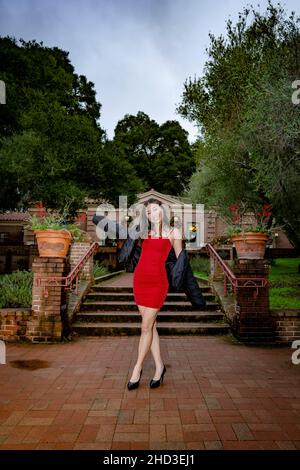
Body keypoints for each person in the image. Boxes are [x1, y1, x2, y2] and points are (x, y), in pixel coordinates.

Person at [127, 198, 183, 390]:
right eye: (148, 212)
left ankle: (137, 368)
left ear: (163, 210)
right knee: (150, 326)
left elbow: (180, 261)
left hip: (158, 284)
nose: (152, 214)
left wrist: (184, 284)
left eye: (155, 210)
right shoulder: (143, 233)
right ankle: (159, 367)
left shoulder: (174, 232)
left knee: (145, 327)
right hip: (140, 281)